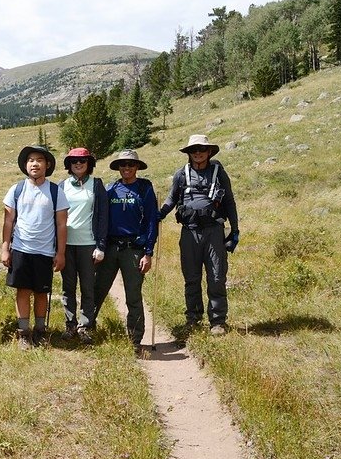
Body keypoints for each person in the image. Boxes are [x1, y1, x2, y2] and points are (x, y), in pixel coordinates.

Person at [159, 134, 239, 336]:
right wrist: (158, 215)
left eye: (202, 150)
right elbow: (171, 198)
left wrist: (235, 230)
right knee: (192, 278)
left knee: (217, 276)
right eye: (194, 150)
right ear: (189, 153)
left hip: (214, 231)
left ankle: (218, 321)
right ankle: (193, 319)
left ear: (209, 152)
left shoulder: (219, 173)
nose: (198, 153)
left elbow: (229, 201)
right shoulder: (181, 174)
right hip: (190, 232)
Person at [2, 145, 69, 350]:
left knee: (41, 292)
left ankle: (40, 331)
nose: (35, 163)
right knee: (22, 291)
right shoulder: (16, 189)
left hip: (45, 251)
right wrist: (5, 248)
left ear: (47, 165)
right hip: (21, 249)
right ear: (25, 164)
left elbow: (61, 224)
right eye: (31, 160)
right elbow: (8, 221)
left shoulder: (56, 192)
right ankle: (24, 333)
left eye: (39, 160)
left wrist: (61, 253)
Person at [93, 149, 158, 354]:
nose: (127, 168)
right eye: (123, 164)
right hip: (110, 247)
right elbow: (101, 218)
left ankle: (135, 339)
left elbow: (151, 221)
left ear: (137, 167)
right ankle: (86, 328)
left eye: (131, 164)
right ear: (118, 167)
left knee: (133, 295)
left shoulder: (145, 189)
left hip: (134, 250)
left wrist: (148, 252)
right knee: (97, 290)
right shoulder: (111, 189)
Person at [58, 147, 108, 345]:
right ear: (69, 165)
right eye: (74, 161)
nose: (78, 164)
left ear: (89, 164)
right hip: (67, 244)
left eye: (82, 161)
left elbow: (103, 217)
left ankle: (85, 326)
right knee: (67, 287)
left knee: (88, 287)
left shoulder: (96, 185)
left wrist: (101, 245)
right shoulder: (62, 186)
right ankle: (70, 324)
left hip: (88, 244)